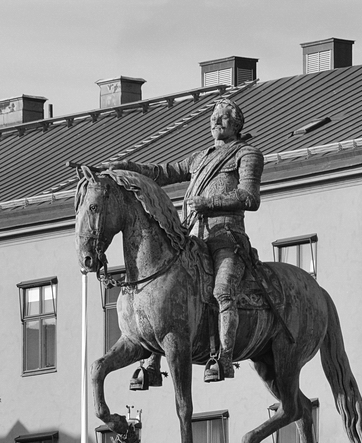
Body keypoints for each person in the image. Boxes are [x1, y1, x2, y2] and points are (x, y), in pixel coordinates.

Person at [111, 97, 264, 381]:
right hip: (192, 237)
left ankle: (224, 359)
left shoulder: (248, 154)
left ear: (237, 124)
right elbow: (163, 173)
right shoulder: (199, 158)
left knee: (222, 291)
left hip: (225, 236)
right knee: (165, 289)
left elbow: (249, 197)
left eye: (224, 117)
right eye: (214, 116)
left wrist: (210, 202)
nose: (216, 121)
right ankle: (152, 365)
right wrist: (128, 167)